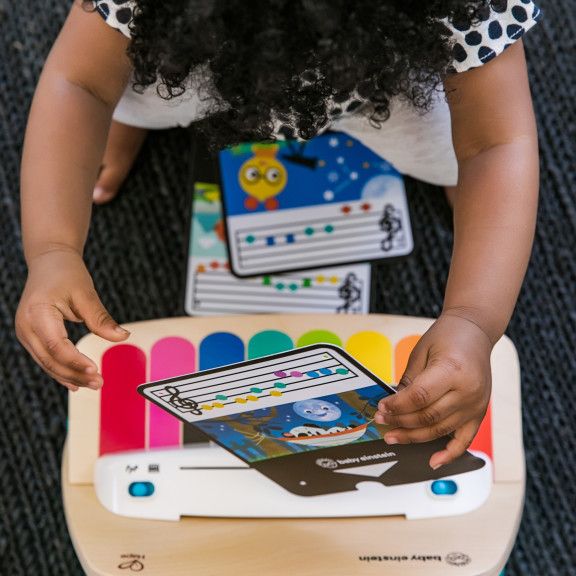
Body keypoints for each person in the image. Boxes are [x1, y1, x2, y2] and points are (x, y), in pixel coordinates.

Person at [16, 0, 541, 469]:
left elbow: (495, 143)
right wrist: (53, 248)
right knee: (121, 78)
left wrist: (474, 317)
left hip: (387, 86)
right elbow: (79, 83)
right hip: (202, 66)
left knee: (465, 156)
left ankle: (454, 176)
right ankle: (130, 108)